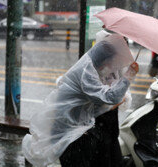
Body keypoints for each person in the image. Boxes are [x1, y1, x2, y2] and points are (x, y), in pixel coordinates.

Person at [22, 33, 139, 167]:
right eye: (111, 62)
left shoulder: (97, 67)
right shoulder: (87, 71)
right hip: (69, 130)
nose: (112, 66)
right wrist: (129, 75)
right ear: (104, 58)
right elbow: (109, 98)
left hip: (80, 130)